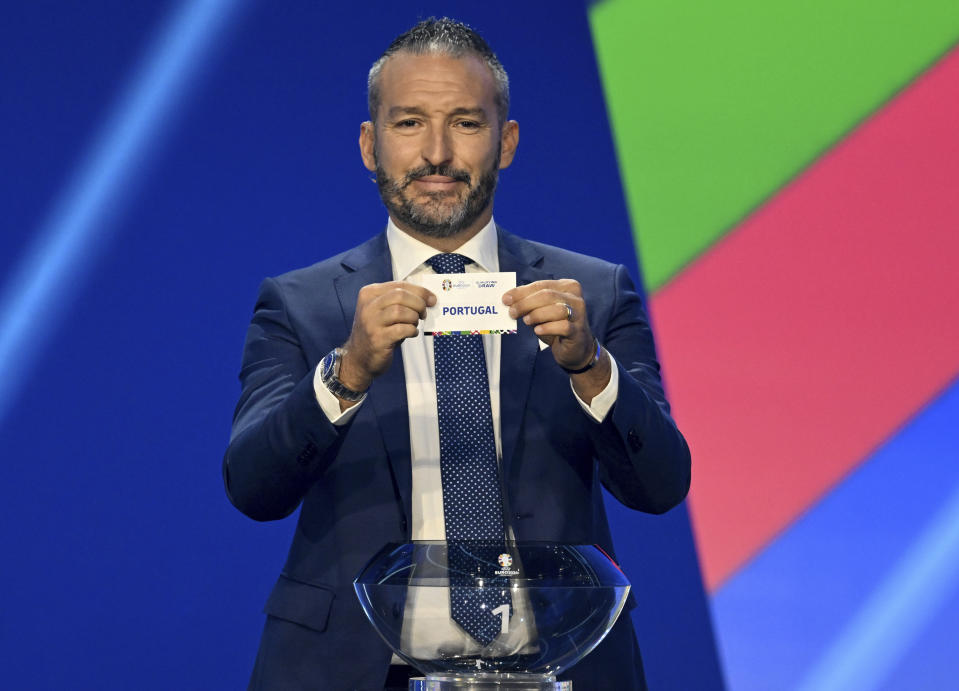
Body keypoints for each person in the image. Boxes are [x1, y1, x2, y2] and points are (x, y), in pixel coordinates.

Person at [223, 17, 690, 690]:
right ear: (369, 144)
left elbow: (660, 486)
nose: (436, 152)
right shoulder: (301, 304)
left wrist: (590, 366)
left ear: (506, 142)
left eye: (466, 123)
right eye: (408, 123)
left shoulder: (591, 293)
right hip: (354, 671)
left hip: (559, 669)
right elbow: (252, 487)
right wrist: (344, 374)